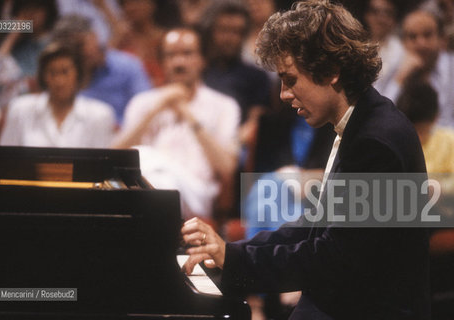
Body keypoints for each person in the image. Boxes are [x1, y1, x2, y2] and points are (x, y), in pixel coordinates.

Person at [182, 1, 430, 319]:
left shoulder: (375, 142)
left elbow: (330, 258)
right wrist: (231, 253)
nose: (284, 93)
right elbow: (314, 226)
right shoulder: (360, 121)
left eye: (291, 79)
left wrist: (236, 262)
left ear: (330, 72)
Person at [112, 27, 240, 220]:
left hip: (196, 192)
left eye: (187, 54)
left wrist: (186, 113)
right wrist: (157, 108)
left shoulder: (224, 105)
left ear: (202, 59)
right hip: (147, 185)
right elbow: (113, 155)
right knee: (149, 170)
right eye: (171, 55)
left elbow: (227, 168)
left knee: (145, 158)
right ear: (162, 62)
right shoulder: (142, 102)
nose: (179, 62)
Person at [0, 42, 115, 148]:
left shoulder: (99, 115)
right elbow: (6, 159)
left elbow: (101, 167)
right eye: (52, 73)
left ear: (78, 74)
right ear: (43, 76)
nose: (59, 81)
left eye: (65, 72)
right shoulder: (20, 109)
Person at [51, 15, 151, 125]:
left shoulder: (127, 66)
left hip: (127, 134)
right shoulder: (61, 78)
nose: (78, 53)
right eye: (70, 49)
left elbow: (147, 109)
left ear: (94, 36)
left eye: (80, 45)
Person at [381, 9, 454, 128]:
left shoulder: (451, 67)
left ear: (442, 39)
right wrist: (399, 79)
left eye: (427, 35)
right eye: (412, 37)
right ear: (404, 43)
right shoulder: (394, 66)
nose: (421, 43)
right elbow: (380, 117)